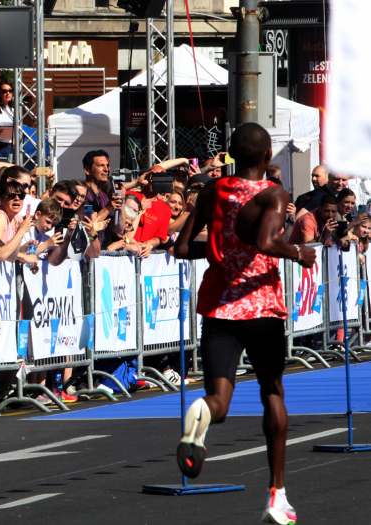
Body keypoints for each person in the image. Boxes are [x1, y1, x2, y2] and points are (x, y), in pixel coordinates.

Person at [173, 122, 316, 524]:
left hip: (218, 309)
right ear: (268, 157)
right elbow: (267, 242)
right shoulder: (274, 194)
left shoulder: (212, 191)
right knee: (272, 392)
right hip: (261, 310)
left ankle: (201, 412)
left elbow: (183, 248)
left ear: (232, 155)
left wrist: (222, 252)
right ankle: (277, 495)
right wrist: (298, 253)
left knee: (219, 402)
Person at [81, 150, 122, 246]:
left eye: (107, 165)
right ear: (87, 170)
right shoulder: (82, 193)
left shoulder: (104, 196)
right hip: (85, 252)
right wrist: (107, 209)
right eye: (101, 165)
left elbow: (118, 229)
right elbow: (87, 227)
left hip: (100, 253)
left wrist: (122, 200)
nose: (106, 169)